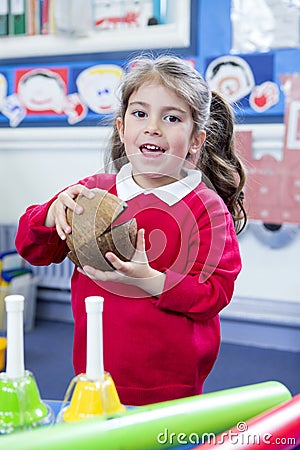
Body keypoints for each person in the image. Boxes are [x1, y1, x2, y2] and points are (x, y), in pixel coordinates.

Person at [15, 54, 247, 406]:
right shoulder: (93, 191)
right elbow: (31, 248)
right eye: (141, 114)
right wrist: (51, 213)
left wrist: (148, 280)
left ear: (196, 140)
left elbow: (215, 293)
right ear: (122, 129)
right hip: (94, 377)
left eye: (171, 118)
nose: (153, 126)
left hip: (174, 390)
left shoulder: (206, 209)